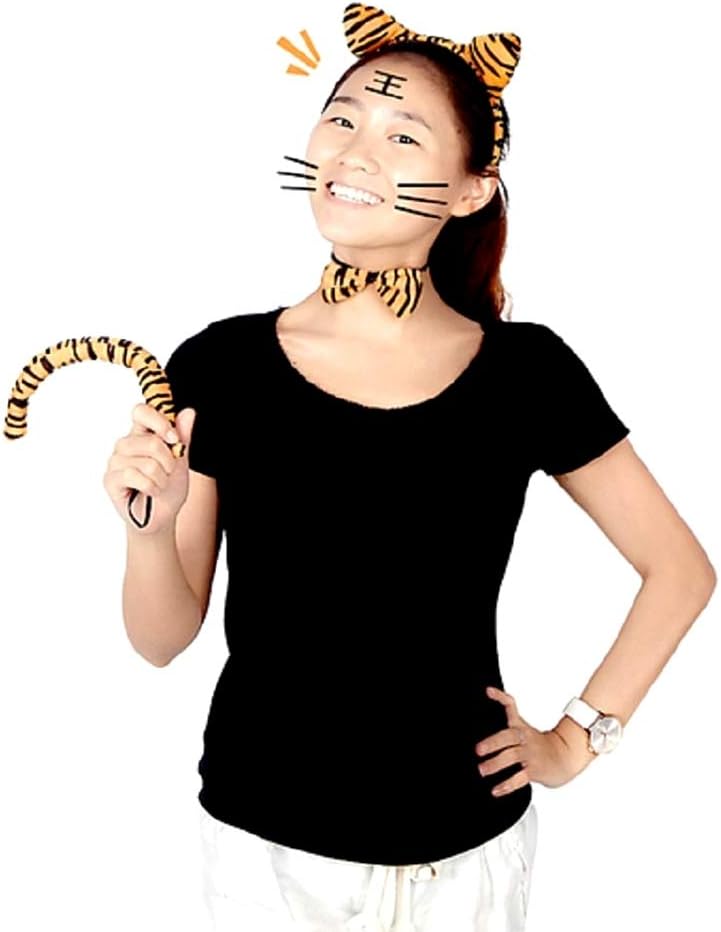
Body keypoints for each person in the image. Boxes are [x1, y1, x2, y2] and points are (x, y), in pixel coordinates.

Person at [102, 8, 716, 932]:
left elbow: (679, 570)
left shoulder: (526, 372)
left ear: (470, 190)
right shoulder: (220, 364)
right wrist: (146, 530)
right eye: (342, 118)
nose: (356, 150)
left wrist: (576, 739)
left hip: (464, 858)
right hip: (265, 853)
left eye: (403, 136)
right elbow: (159, 640)